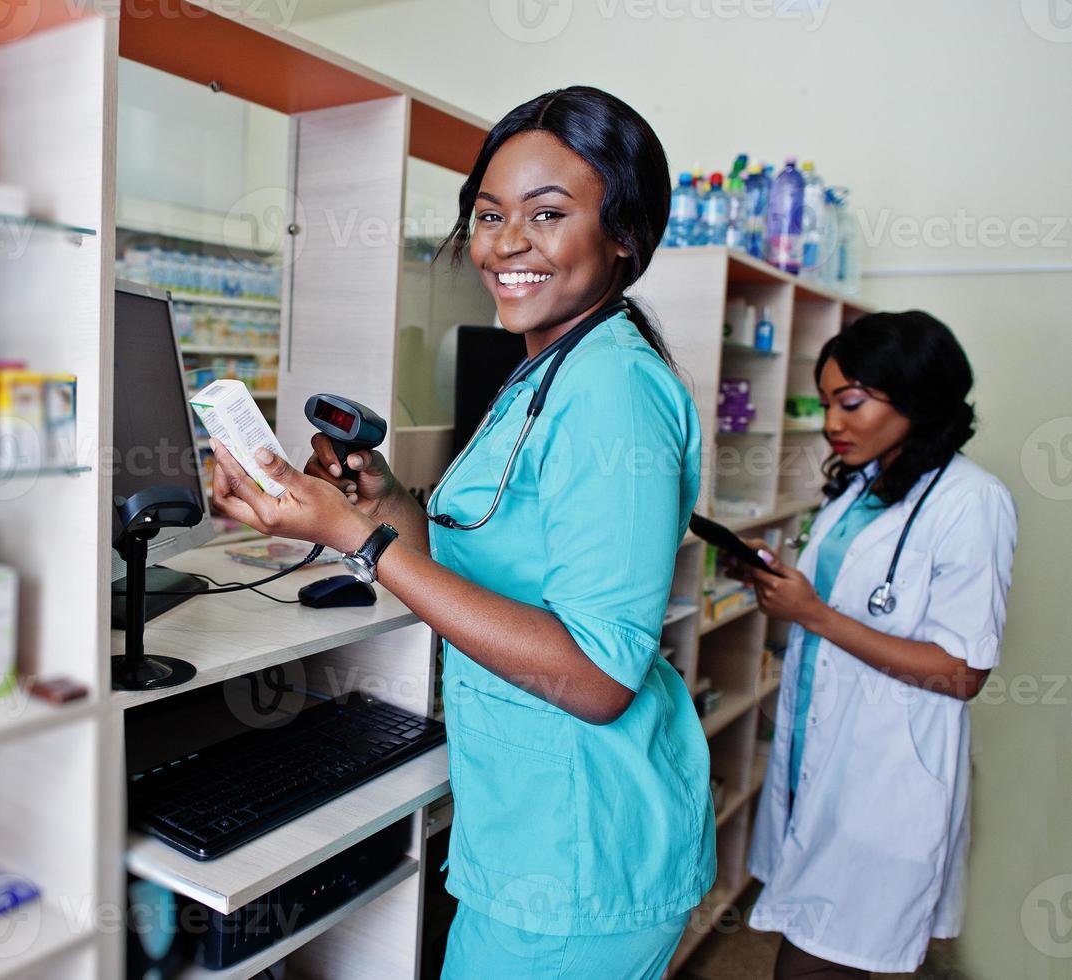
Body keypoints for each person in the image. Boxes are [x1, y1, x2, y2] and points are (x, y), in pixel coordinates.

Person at [206, 86, 714, 979]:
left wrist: (361, 544)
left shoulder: (611, 391)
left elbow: (597, 678)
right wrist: (377, 501)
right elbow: (480, 558)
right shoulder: (547, 369)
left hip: (580, 851)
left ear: (624, 235)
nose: (505, 243)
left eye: (546, 215)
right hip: (532, 828)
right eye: (487, 214)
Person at [737, 311, 1017, 978]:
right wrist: (777, 583)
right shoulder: (864, 487)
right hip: (820, 755)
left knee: (815, 961)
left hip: (886, 780)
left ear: (915, 397)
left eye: (851, 401)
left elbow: (960, 672)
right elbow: (843, 597)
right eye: (829, 401)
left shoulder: (971, 502)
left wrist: (814, 614)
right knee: (806, 944)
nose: (833, 421)